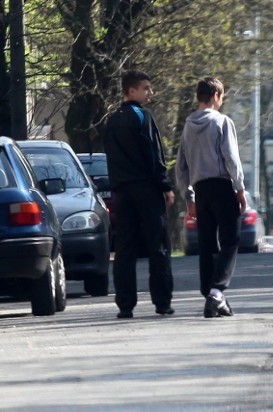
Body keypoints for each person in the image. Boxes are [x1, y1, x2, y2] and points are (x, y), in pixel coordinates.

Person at [104, 70, 175, 319]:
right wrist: (165, 185)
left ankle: (125, 304)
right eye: (146, 88)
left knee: (124, 248)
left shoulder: (112, 121)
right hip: (146, 189)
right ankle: (162, 301)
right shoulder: (142, 117)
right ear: (130, 90)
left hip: (121, 192)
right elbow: (154, 153)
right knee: (158, 246)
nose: (150, 93)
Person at [175, 77, 246, 318]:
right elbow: (231, 158)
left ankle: (210, 296)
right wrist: (240, 187)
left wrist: (188, 196)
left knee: (206, 244)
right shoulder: (222, 122)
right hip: (222, 186)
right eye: (222, 96)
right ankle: (217, 290)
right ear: (215, 95)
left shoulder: (187, 126)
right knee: (230, 240)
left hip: (201, 190)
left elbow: (181, 166)